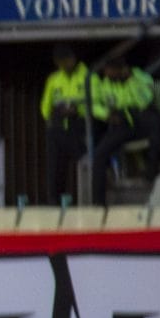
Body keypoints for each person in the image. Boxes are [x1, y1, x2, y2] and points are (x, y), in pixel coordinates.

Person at [87, 58, 160, 200]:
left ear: (122, 69)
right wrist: (106, 114)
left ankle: (151, 172)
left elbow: (144, 101)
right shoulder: (105, 84)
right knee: (99, 154)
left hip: (142, 116)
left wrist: (130, 81)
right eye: (106, 72)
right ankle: (97, 202)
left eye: (111, 72)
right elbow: (94, 105)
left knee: (157, 122)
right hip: (121, 121)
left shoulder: (141, 77)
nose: (108, 75)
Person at [41, 46, 94, 205]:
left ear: (73, 59)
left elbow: (96, 101)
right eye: (60, 63)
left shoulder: (88, 76)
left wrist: (77, 110)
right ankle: (55, 204)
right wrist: (53, 114)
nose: (64, 66)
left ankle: (90, 201)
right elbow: (45, 105)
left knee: (84, 163)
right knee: (55, 168)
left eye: (66, 62)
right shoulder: (54, 79)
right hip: (57, 127)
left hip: (79, 125)